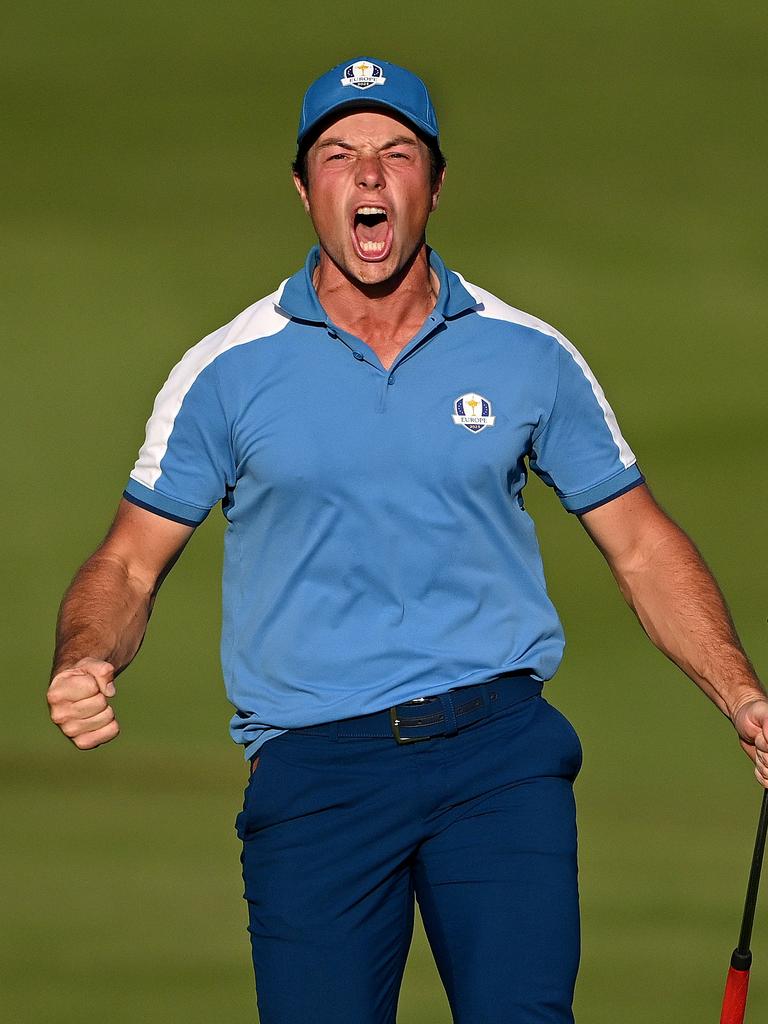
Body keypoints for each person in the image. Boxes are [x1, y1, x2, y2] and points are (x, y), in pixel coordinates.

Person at [47, 57, 768, 1023]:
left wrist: (743, 695)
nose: (371, 176)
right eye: (340, 155)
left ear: (434, 182)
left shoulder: (528, 353)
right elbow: (129, 561)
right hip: (317, 774)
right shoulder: (226, 370)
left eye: (397, 153)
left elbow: (638, 544)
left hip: (499, 758)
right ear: (306, 191)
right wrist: (86, 653)